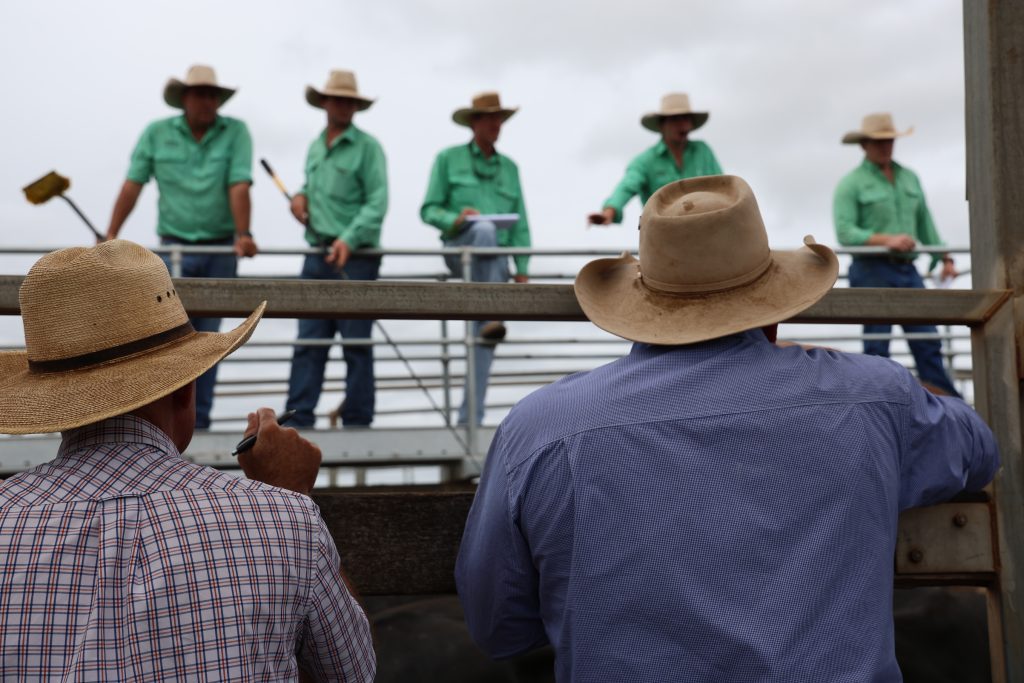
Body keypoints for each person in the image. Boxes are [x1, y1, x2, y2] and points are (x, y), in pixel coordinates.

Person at [456, 175, 998, 682]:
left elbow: (499, 627)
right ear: (775, 305)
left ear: (640, 303)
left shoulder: (540, 427)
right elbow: (978, 450)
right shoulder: (872, 395)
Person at [0, 240, 375, 681]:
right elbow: (353, 674)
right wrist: (289, 496)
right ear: (186, 387)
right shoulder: (286, 519)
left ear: (52, 402)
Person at [105, 64, 259, 429]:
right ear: (184, 98)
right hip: (173, 250)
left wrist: (244, 234)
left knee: (210, 342)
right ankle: (164, 426)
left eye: (212, 95)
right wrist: (111, 233)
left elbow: (239, 185)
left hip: (222, 248)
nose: (207, 101)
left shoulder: (235, 131)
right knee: (170, 341)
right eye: (200, 94)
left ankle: (198, 422)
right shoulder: (157, 133)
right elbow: (133, 184)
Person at [285, 70, 388, 428]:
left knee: (356, 344)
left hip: (357, 258)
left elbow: (377, 202)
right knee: (308, 343)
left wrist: (349, 238)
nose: (344, 106)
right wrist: (299, 197)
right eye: (338, 99)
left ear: (356, 106)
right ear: (325, 103)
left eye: (349, 100)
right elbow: (309, 187)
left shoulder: (369, 147)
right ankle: (298, 419)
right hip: (316, 254)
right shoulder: (316, 146)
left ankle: (358, 420)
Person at [421, 91, 531, 425]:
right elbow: (428, 209)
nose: (496, 124)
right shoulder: (447, 158)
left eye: (500, 117)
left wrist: (523, 268)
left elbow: (521, 221)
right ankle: (490, 319)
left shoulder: (511, 168)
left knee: (480, 342)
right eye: (489, 117)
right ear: (474, 122)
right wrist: (456, 218)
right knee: (483, 230)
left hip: (496, 263)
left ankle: (469, 420)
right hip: (460, 252)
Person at [834, 112, 961, 397]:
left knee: (928, 341)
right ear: (864, 145)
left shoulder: (909, 178)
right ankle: (879, 404)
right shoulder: (850, 184)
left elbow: (926, 224)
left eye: (889, 140)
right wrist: (886, 240)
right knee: (878, 347)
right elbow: (845, 231)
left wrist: (946, 259)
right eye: (879, 141)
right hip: (871, 269)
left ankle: (949, 405)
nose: (885, 146)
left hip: (907, 269)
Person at [588, 92, 722, 226]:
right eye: (675, 119)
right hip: (662, 236)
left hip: (705, 231)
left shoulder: (703, 151)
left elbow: (723, 187)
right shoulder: (645, 162)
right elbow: (627, 186)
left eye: (686, 118)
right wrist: (609, 212)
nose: (683, 124)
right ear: (661, 125)